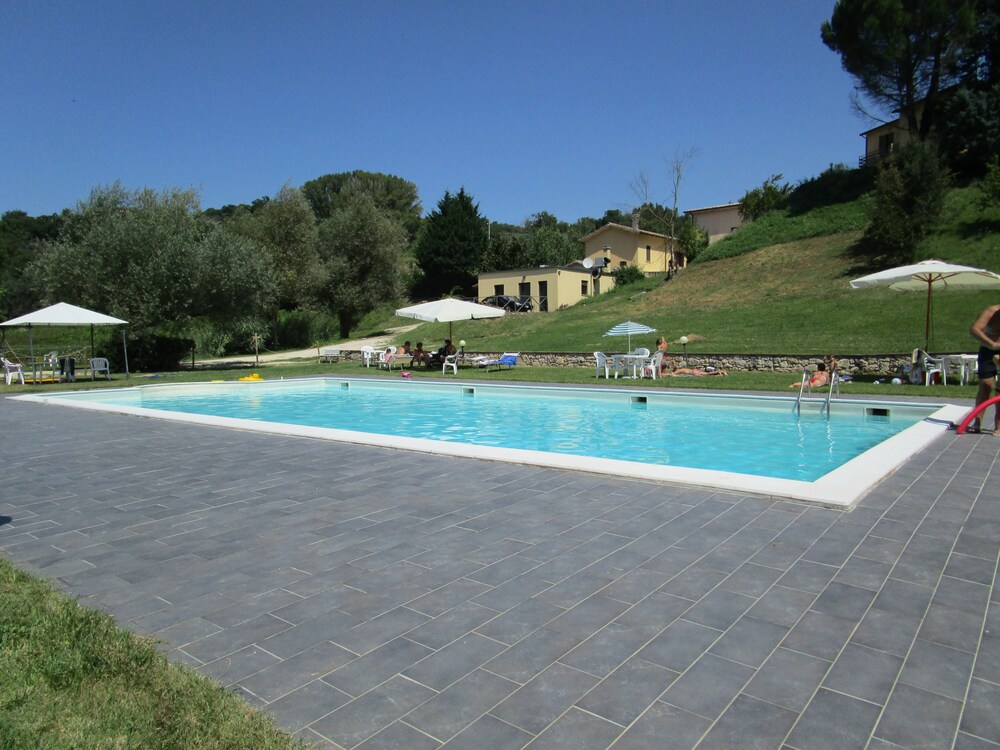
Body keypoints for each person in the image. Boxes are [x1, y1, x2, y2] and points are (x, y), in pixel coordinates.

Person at [969, 303, 1000, 435]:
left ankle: (999, 426)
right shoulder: (992, 311)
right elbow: (974, 330)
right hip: (988, 349)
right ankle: (977, 422)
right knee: (986, 385)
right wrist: (992, 344)